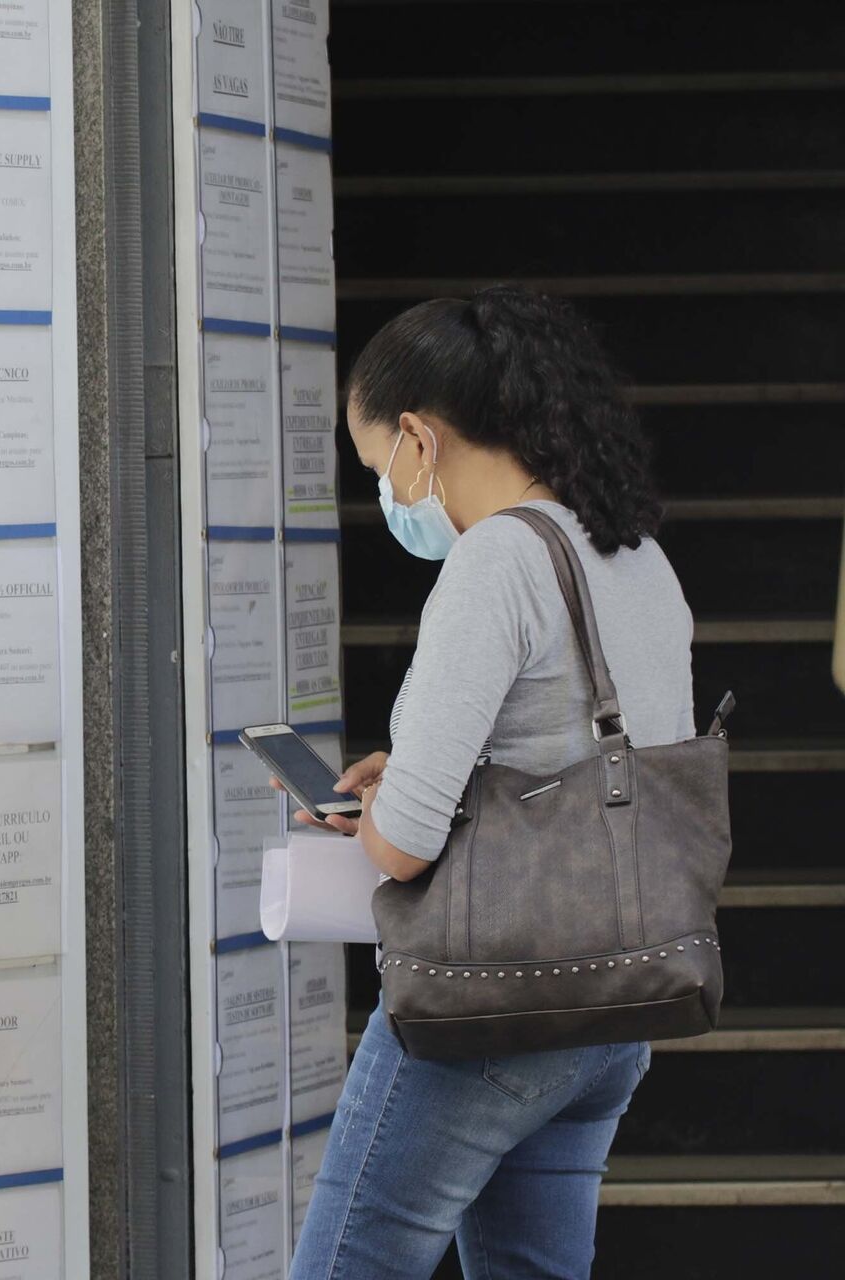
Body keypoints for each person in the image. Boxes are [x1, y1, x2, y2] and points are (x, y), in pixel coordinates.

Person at [287, 287, 694, 1279]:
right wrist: (427, 777)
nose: (388, 492)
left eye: (381, 465)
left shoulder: (494, 562)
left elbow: (406, 843)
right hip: (611, 1007)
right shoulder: (633, 553)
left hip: (488, 1009)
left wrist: (381, 808)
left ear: (420, 439)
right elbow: (598, 766)